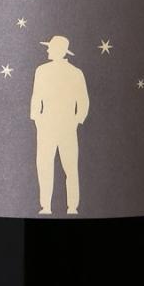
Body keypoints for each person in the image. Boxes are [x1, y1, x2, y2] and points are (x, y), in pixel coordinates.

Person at [29, 35, 90, 215]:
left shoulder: (74, 73)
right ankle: (55, 207)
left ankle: (67, 207)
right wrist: (37, 120)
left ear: (58, 50)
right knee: (50, 167)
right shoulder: (43, 71)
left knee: (65, 167)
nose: (47, 50)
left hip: (63, 128)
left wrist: (76, 121)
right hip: (48, 127)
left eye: (50, 47)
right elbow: (36, 99)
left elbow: (83, 101)